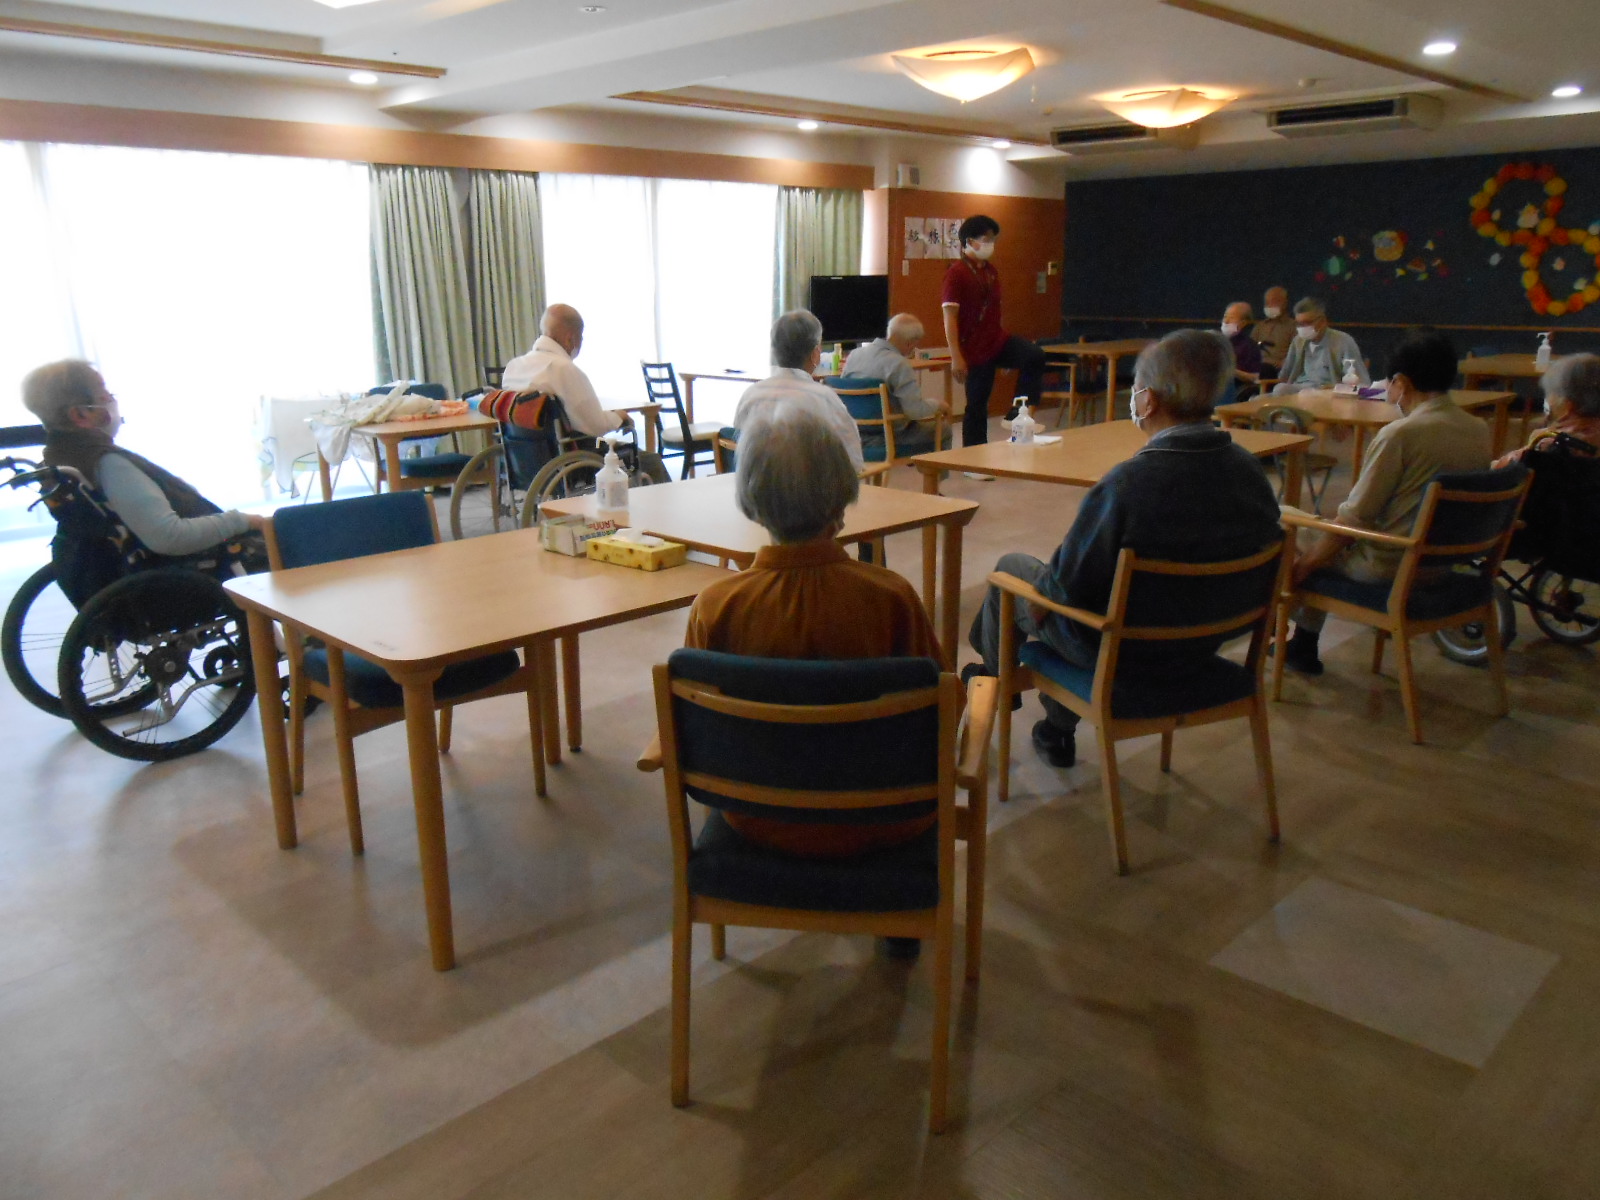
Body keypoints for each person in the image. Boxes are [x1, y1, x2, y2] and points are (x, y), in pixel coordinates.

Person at [967, 330, 1282, 768]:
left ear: (1147, 400)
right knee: (1067, 594)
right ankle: (1051, 725)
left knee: (1012, 572)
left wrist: (1040, 600)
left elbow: (1063, 591)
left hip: (1124, 653)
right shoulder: (1250, 472)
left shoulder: (1128, 484)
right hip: (1204, 643)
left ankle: (994, 679)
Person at [684, 405, 940, 859]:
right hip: (885, 817)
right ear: (841, 500)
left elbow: (697, 726)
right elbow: (939, 709)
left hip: (756, 817)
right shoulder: (892, 598)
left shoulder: (715, 606)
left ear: (752, 503)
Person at [1282, 329, 1492, 675]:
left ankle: (1292, 637)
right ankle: (1303, 643)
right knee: (1319, 533)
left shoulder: (1400, 435)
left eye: (1390, 382)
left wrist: (1302, 569)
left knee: (1284, 520)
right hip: (1442, 563)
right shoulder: (1478, 429)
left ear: (1401, 383)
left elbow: (1354, 520)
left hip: (1388, 565)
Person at [21, 359, 266, 559]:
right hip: (201, 570)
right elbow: (169, 537)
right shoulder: (107, 464)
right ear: (81, 414)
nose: (113, 400)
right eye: (106, 395)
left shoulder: (59, 459)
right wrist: (242, 521)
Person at [940, 215, 1046, 462]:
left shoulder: (990, 271)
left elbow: (994, 311)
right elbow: (949, 318)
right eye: (986, 239)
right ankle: (973, 460)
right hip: (973, 349)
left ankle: (1016, 412)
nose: (991, 244)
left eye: (993, 239)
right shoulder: (956, 274)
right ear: (970, 242)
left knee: (1034, 355)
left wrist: (1006, 357)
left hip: (997, 340)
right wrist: (956, 356)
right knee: (977, 405)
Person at [731, 310, 864, 473]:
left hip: (758, 487)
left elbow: (740, 452)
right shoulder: (824, 399)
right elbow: (854, 462)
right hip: (810, 487)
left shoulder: (750, 395)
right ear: (815, 354)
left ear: (774, 351)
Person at [500, 303, 635, 439]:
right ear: (570, 339)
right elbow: (596, 427)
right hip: (569, 450)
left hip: (521, 450)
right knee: (640, 453)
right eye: (581, 337)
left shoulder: (513, 366)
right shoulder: (564, 369)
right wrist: (619, 416)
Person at [841, 312, 953, 457]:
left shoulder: (854, 355)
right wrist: (939, 405)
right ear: (910, 343)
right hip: (889, 437)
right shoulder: (899, 364)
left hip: (855, 434)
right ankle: (932, 471)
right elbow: (914, 411)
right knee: (944, 430)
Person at [1492, 352, 1600, 467]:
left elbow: (1502, 470)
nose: (1548, 399)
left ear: (1567, 404)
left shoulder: (1548, 442)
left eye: (1551, 393)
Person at [1274, 298, 1369, 394]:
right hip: (1299, 388)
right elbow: (1285, 374)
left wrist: (1337, 388)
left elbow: (1360, 382)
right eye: (1299, 324)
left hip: (1327, 391)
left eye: (1308, 323)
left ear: (1322, 321)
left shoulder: (1343, 341)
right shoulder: (1298, 341)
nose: (1303, 328)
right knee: (1276, 391)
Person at [1252, 286, 1295, 374]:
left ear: (1285, 303)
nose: (1269, 305)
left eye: (1274, 301)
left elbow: (1297, 353)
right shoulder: (1260, 326)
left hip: (1278, 370)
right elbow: (1250, 348)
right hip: (1256, 366)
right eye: (1267, 302)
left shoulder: (1293, 326)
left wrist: (1285, 363)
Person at [1222, 301, 1263, 385]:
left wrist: (1232, 371)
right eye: (1225, 316)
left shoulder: (1250, 347)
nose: (1226, 321)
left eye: (1231, 317)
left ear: (1243, 323)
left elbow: (1255, 377)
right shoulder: (1217, 341)